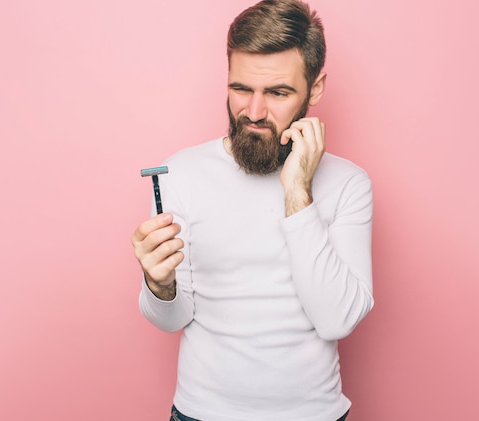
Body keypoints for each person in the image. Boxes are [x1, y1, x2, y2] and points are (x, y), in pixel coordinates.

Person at [131, 0, 374, 419]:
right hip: (200, 413)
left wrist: (298, 191)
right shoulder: (182, 172)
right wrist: (160, 283)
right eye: (241, 89)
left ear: (315, 88)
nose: (255, 112)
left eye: (278, 93)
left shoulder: (349, 184)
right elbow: (172, 320)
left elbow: (337, 321)